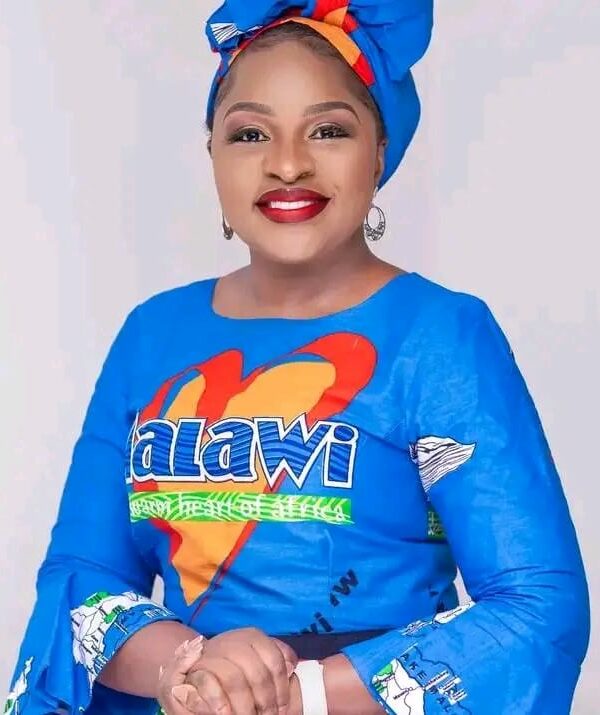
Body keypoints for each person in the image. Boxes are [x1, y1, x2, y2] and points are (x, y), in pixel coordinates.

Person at [4, 0, 590, 713]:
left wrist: (297, 692)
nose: (287, 164)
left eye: (329, 130)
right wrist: (188, 668)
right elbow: (81, 577)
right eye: (250, 133)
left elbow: (536, 605)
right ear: (213, 154)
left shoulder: (440, 336)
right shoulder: (150, 335)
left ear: (380, 150)